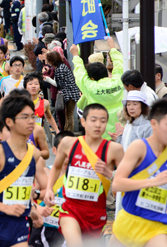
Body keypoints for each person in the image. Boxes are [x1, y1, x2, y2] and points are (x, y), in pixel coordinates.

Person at [0, 90, 48, 247]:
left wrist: (33, 205)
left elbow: (42, 191)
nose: (31, 121)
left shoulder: (34, 154)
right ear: (9, 122)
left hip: (19, 227)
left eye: (32, 116)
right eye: (25, 117)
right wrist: (6, 208)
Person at [44, 103, 124, 247]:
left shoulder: (114, 150)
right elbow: (56, 167)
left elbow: (126, 180)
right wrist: (49, 188)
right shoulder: (69, 143)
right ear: (83, 121)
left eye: (103, 121)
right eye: (93, 120)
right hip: (70, 209)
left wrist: (109, 173)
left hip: (96, 213)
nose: (98, 125)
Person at [110, 99, 167, 247]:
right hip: (129, 222)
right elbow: (117, 183)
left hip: (156, 227)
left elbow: (162, 192)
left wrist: (166, 214)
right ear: (153, 124)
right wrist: (152, 181)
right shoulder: (139, 147)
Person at [71, 37, 124, 140]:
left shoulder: (91, 87)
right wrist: (112, 47)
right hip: (119, 132)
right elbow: (120, 65)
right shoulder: (118, 82)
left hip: (98, 134)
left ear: (91, 78)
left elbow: (79, 73)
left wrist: (75, 55)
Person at [29, 131, 74, 247]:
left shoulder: (79, 176)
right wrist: (36, 198)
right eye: (64, 148)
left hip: (67, 228)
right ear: (54, 150)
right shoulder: (45, 172)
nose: (68, 153)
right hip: (44, 226)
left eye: (72, 148)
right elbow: (31, 194)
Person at [44, 51, 81, 132]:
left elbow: (58, 85)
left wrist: (47, 79)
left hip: (69, 94)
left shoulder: (60, 69)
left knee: (69, 115)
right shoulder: (61, 66)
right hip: (72, 93)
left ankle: (68, 132)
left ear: (51, 60)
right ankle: (67, 131)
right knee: (68, 114)